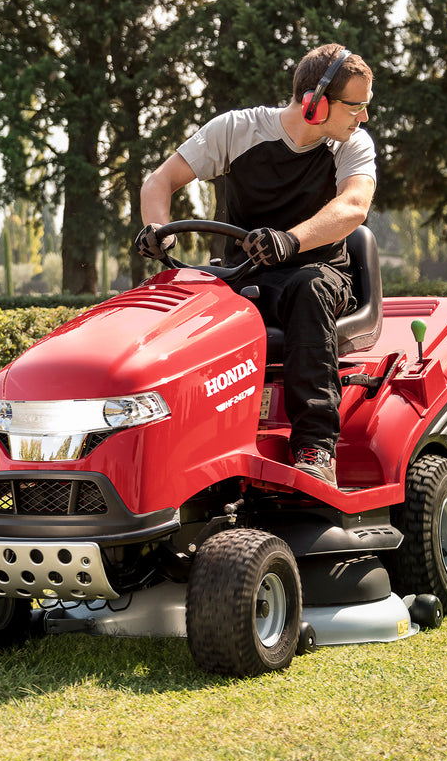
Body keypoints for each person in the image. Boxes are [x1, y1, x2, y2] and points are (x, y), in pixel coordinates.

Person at [136, 44, 377, 488]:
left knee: (307, 288)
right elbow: (159, 181)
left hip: (320, 272)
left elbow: (354, 206)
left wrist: (292, 240)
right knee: (182, 302)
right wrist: (157, 228)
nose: (363, 117)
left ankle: (316, 448)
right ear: (316, 104)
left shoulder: (350, 144)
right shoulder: (235, 130)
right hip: (244, 277)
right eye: (356, 106)